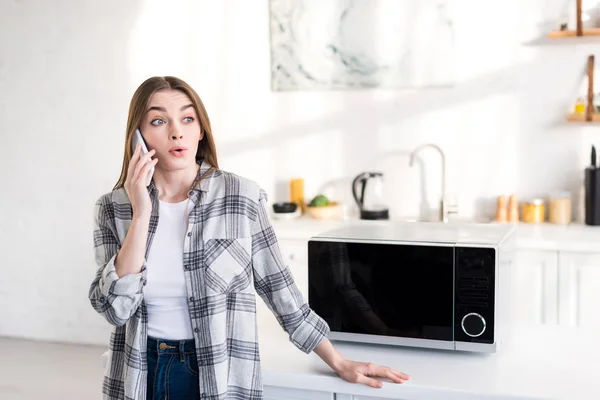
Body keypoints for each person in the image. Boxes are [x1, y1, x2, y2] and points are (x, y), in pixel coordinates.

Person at [89, 76, 410, 400]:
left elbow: (280, 290)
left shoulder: (241, 197)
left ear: (201, 130)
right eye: (158, 120)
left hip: (215, 374)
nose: (176, 131)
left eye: (187, 118)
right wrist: (141, 214)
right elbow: (115, 310)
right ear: (138, 138)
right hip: (140, 373)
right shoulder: (112, 208)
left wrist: (339, 362)